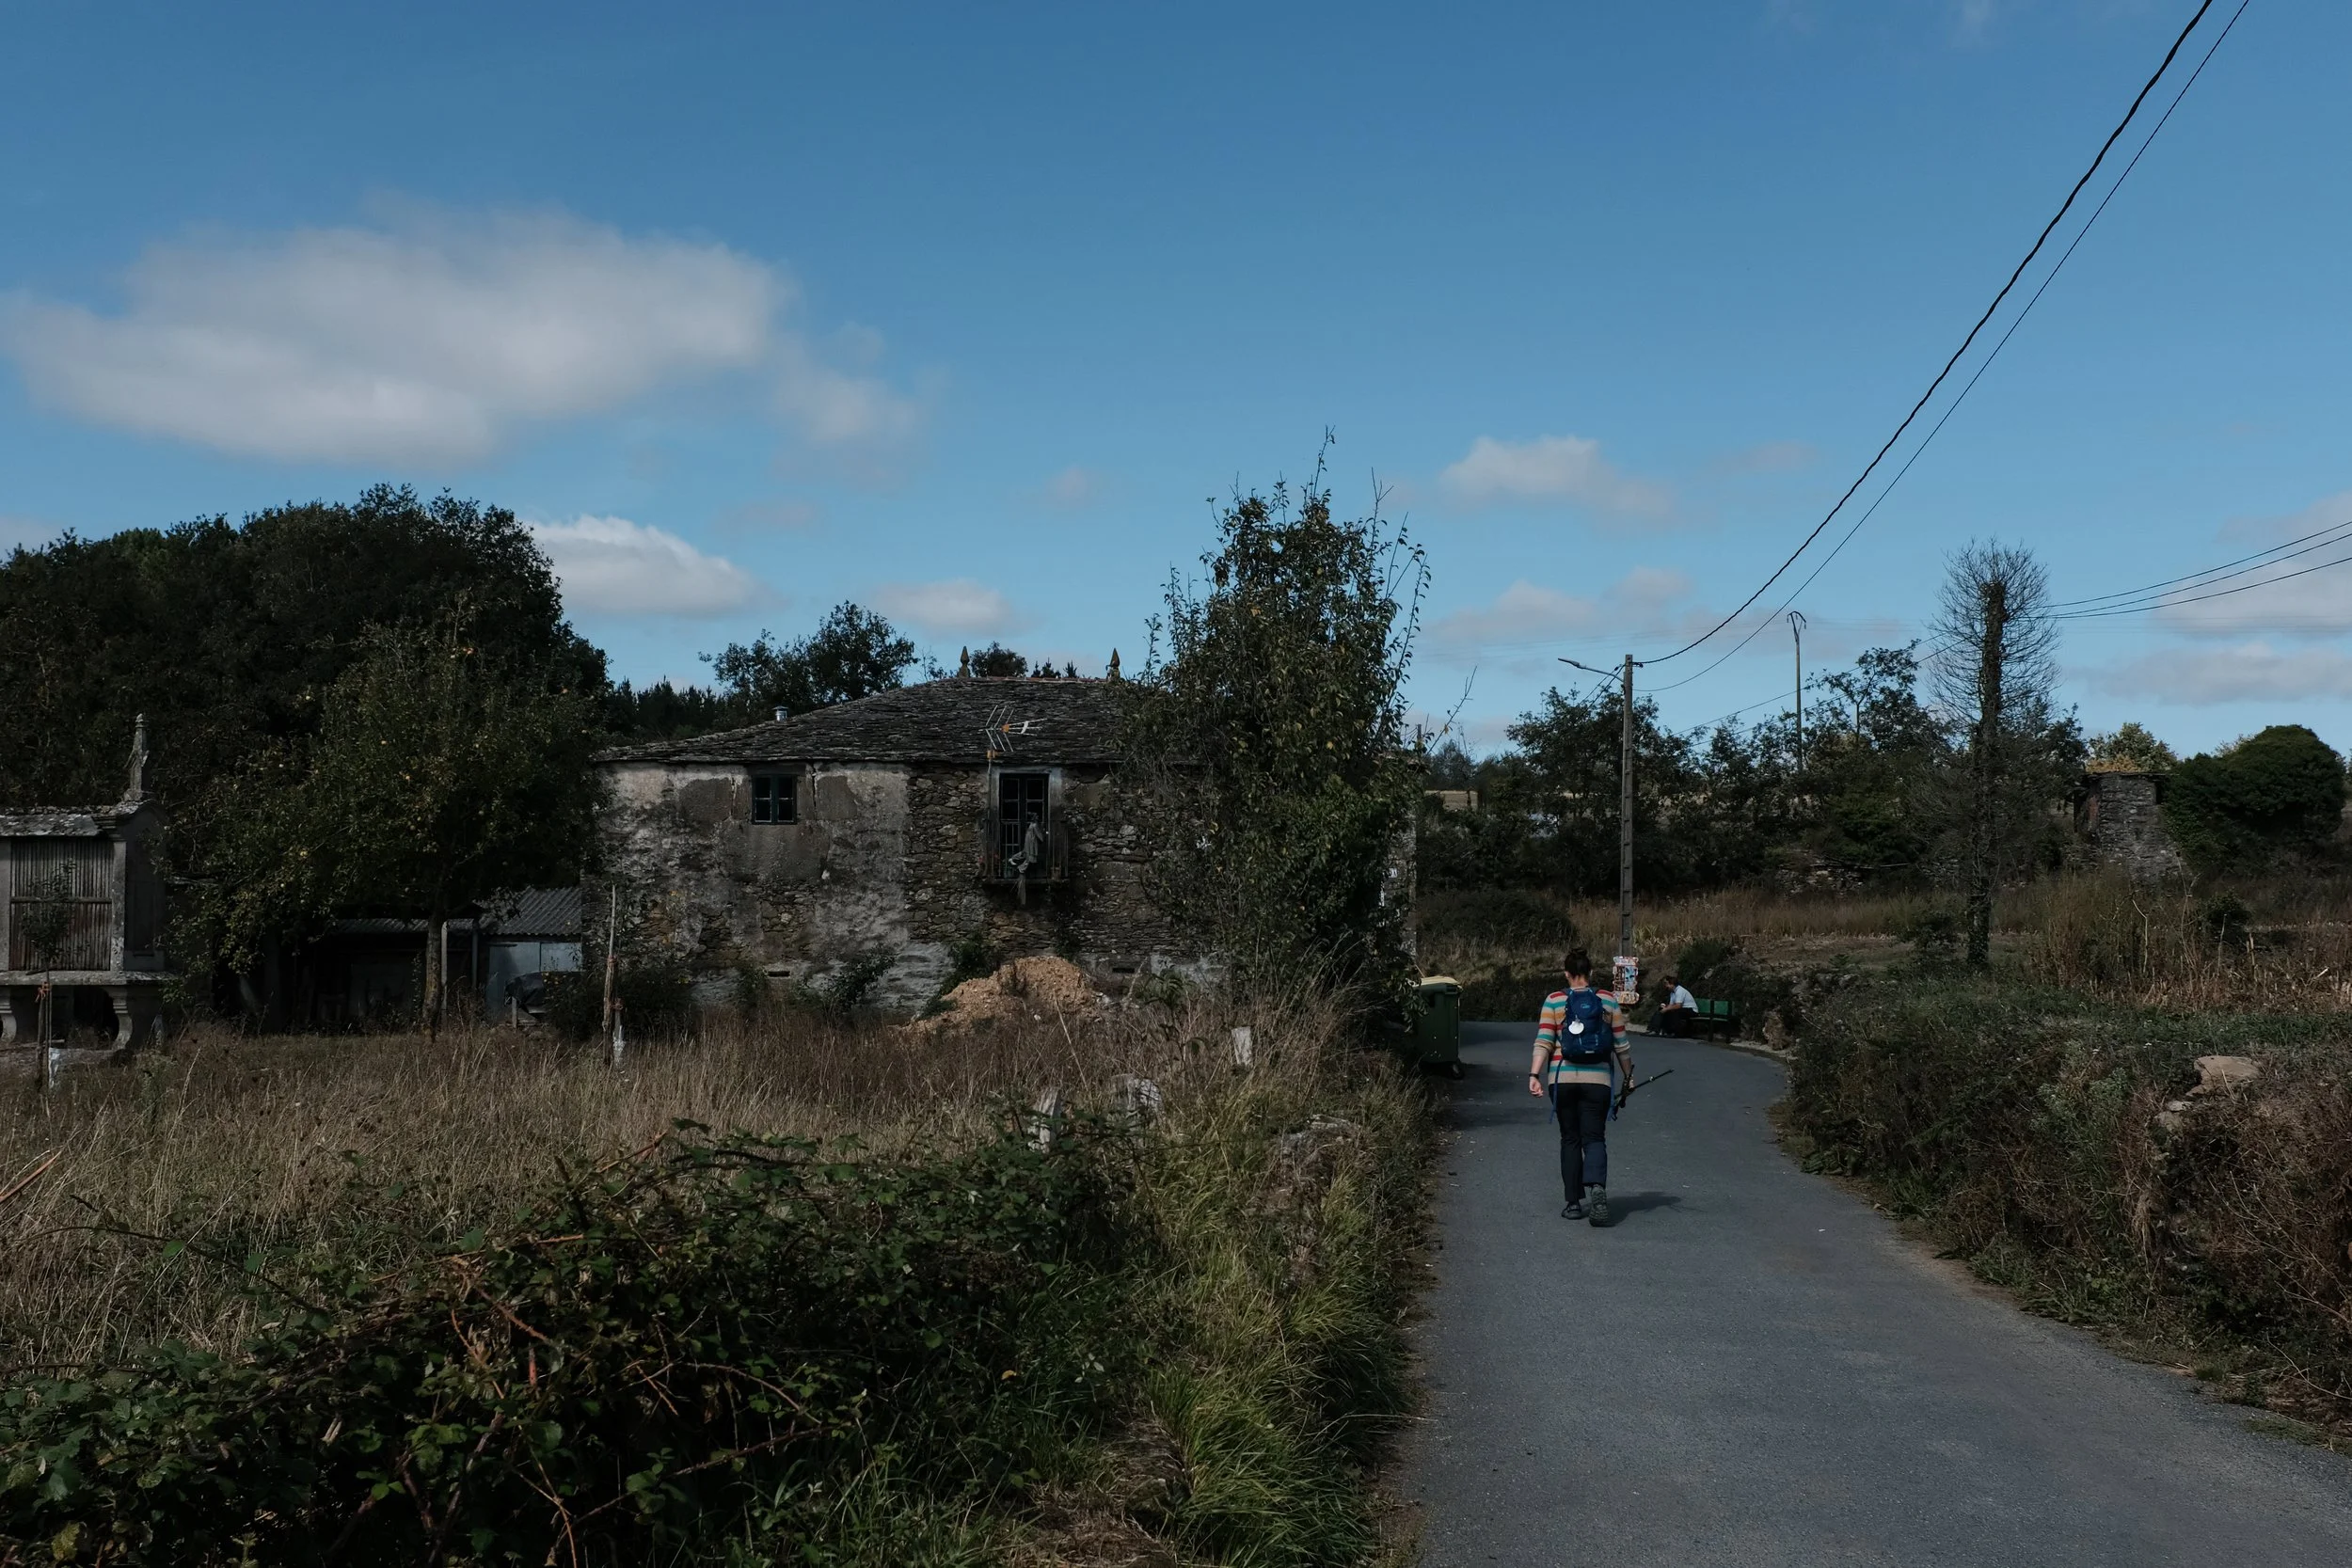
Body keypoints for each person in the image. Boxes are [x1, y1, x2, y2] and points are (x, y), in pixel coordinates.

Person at [1527, 949, 1636, 1226]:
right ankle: (1597, 1187)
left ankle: (1573, 1204)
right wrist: (1628, 1077)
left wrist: (1534, 1074)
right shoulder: (1608, 1001)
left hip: (1561, 1079)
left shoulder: (1554, 1001)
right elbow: (1621, 1045)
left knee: (1570, 1139)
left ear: (1566, 973)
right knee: (1594, 1138)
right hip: (1597, 1081)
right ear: (1590, 973)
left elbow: (1544, 1041)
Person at [1654, 972, 1698, 1037]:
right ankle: (1661, 1030)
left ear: (1672, 984)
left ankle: (1677, 1033)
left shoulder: (1679, 991)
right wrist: (1665, 1007)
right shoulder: (1672, 993)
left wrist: (1667, 1009)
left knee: (1676, 1012)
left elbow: (1678, 1006)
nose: (1666, 986)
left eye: (1667, 984)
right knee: (1665, 1011)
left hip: (1692, 1010)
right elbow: (1671, 1005)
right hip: (1683, 1009)